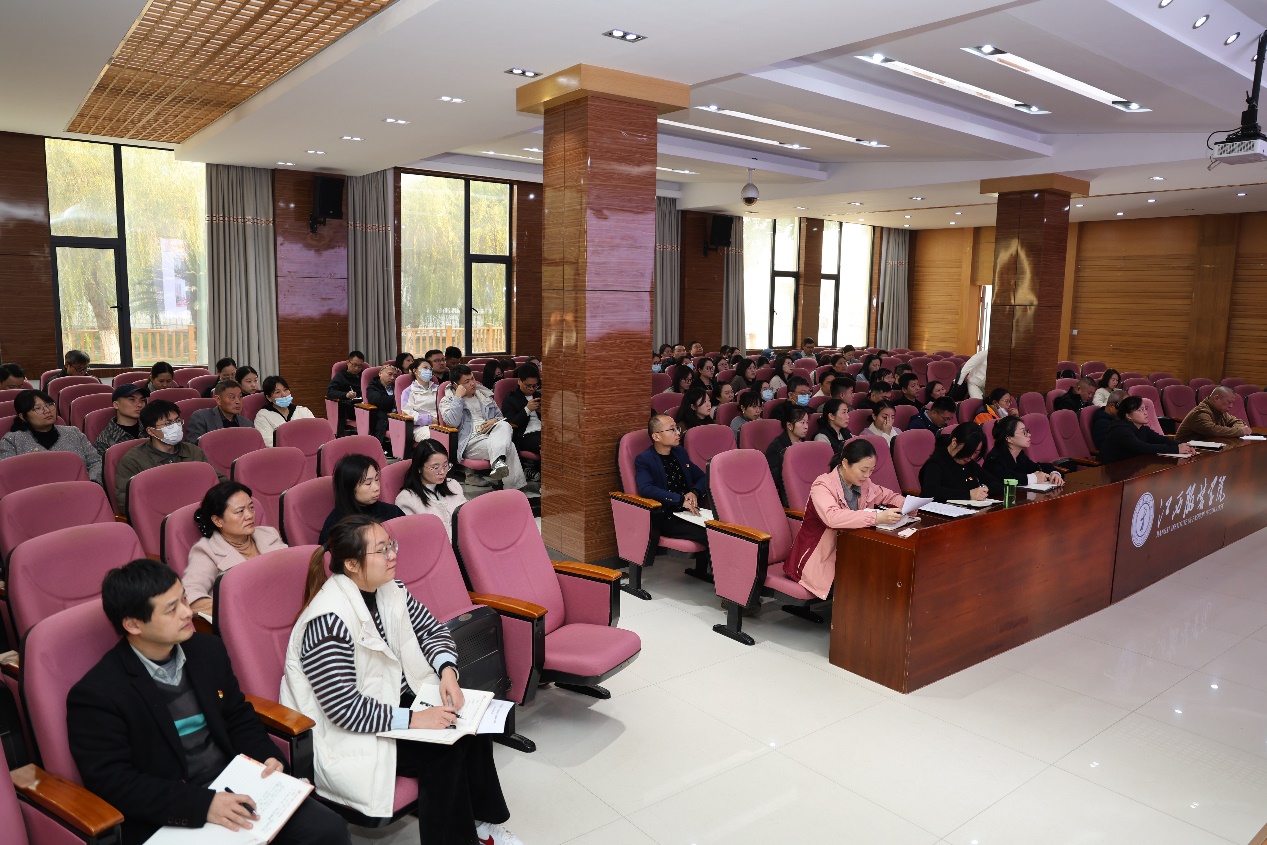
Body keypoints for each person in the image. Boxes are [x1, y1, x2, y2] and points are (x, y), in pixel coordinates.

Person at [67, 560, 351, 845]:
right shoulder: (98, 694)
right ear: (133, 624)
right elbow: (115, 783)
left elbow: (237, 716)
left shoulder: (206, 650)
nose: (187, 612)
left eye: (184, 599)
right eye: (171, 609)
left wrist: (267, 757)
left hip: (234, 784)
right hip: (172, 809)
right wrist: (204, 805)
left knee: (328, 829)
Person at [283, 516, 518, 844]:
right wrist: (417, 720)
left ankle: (483, 826)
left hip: (392, 702)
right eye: (381, 550)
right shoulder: (327, 622)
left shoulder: (390, 589)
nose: (392, 555)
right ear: (352, 564)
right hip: (348, 732)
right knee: (443, 752)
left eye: (391, 545)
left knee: (470, 729)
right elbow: (344, 709)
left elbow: (433, 631)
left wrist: (447, 672)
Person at [782, 438, 905, 598]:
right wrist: (876, 517)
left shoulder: (864, 484)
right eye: (863, 470)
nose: (867, 475)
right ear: (846, 463)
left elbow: (887, 495)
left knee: (887, 572)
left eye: (871, 470)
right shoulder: (823, 485)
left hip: (848, 553)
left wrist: (908, 505)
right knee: (867, 584)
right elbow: (832, 518)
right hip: (818, 560)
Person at [185, 481, 288, 616]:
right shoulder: (206, 552)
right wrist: (237, 611)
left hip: (285, 605)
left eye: (251, 507)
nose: (250, 515)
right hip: (249, 620)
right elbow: (190, 597)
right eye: (240, 511)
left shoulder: (269, 534)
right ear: (218, 520)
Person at [116, 400, 217, 514]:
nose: (176, 427)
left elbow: (216, 481)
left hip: (199, 511)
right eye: (168, 424)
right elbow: (126, 503)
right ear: (151, 431)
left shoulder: (193, 451)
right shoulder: (133, 461)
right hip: (160, 516)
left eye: (177, 421)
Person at [439, 365, 525, 490]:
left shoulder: (484, 396)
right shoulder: (448, 400)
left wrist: (494, 421)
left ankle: (499, 465)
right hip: (470, 441)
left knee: (504, 424)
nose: (472, 383)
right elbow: (452, 422)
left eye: (472, 379)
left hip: (492, 435)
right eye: (466, 382)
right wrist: (458, 398)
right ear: (456, 386)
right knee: (509, 447)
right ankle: (514, 489)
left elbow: (500, 417)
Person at [635, 414, 711, 555]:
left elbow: (702, 477)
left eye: (677, 428)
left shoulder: (679, 452)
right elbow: (646, 489)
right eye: (672, 429)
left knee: (724, 530)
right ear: (656, 436)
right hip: (667, 516)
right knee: (711, 535)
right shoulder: (644, 459)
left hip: (690, 512)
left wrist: (694, 492)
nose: (677, 433)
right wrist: (680, 500)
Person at [0, 388, 102, 481]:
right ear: (22, 416)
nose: (47, 411)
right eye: (38, 408)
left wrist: (92, 483)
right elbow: (8, 476)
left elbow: (95, 462)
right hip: (34, 493)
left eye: (49, 405)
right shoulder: (11, 441)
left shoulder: (73, 432)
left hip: (80, 490)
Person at [319, 453, 404, 544]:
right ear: (349, 488)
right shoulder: (338, 528)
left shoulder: (393, 512)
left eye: (376, 479)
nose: (376, 487)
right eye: (368, 483)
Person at [395, 440, 466, 538]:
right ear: (419, 468)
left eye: (445, 465)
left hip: (466, 541)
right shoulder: (407, 499)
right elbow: (414, 538)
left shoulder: (453, 485)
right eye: (435, 467)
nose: (442, 472)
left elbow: (468, 517)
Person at [1099, 396, 1196, 463]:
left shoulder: (1142, 428)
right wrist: (1176, 449)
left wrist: (1183, 446)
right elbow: (1142, 447)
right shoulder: (1120, 430)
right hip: (1112, 471)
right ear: (1128, 416)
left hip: (1131, 467)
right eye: (1140, 410)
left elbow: (1162, 439)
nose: (1145, 413)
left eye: (1145, 408)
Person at [919, 422, 1001, 501]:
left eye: (975, 452)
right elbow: (930, 492)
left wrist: (983, 489)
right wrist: (968, 494)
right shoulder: (935, 462)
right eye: (968, 450)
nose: (971, 456)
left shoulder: (969, 463)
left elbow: (998, 484)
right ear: (954, 442)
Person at [983, 416, 1065, 488]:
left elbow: (1036, 467)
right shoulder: (994, 459)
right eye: (1023, 432)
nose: (1029, 435)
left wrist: (1054, 473)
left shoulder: (1019, 456)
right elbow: (1005, 479)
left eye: (1027, 431)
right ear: (1009, 438)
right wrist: (1034, 478)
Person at [767, 404, 810, 506]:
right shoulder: (776, 447)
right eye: (802, 423)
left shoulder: (806, 444)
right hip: (790, 495)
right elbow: (775, 479)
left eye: (807, 422)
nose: (806, 427)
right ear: (789, 425)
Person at [254, 375, 315, 445]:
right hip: (281, 451)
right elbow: (268, 442)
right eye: (277, 392)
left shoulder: (303, 411)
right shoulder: (263, 416)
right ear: (269, 398)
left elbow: (315, 433)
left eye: (285, 390)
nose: (284, 394)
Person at [185, 380, 251, 444]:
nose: (238, 401)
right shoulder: (201, 418)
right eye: (232, 397)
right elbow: (193, 448)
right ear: (218, 400)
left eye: (240, 396)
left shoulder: (247, 424)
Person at [1176, 385, 1250, 442]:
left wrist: (1240, 429)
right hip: (1185, 451)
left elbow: (1237, 421)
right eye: (1229, 402)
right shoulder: (1201, 412)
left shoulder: (1219, 410)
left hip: (1205, 448)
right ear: (1216, 398)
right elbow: (1213, 430)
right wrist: (1240, 431)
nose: (1231, 406)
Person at [94, 383, 148, 460]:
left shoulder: (150, 427)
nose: (139, 404)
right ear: (116, 405)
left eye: (142, 400)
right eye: (132, 400)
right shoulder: (105, 440)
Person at [500, 364, 541, 456]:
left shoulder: (539, 396)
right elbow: (510, 424)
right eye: (528, 386)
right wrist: (527, 410)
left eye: (535, 386)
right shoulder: (511, 398)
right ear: (519, 382)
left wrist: (542, 413)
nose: (532, 389)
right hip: (525, 435)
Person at [401, 358, 441, 443]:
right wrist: (430, 420)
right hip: (421, 427)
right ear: (415, 371)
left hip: (441, 423)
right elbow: (407, 412)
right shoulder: (409, 391)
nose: (428, 371)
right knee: (438, 437)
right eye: (425, 368)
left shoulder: (438, 389)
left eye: (430, 369)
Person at [326, 351, 367, 431]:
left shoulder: (363, 375)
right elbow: (330, 391)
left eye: (360, 366)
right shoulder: (340, 376)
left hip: (365, 405)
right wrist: (346, 394)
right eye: (354, 365)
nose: (356, 368)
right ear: (348, 362)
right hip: (351, 408)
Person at [365, 363, 400, 452]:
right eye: (389, 374)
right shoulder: (373, 386)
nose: (392, 378)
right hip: (383, 418)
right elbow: (380, 401)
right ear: (380, 374)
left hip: (399, 415)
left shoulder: (397, 386)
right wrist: (396, 399)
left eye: (395, 376)